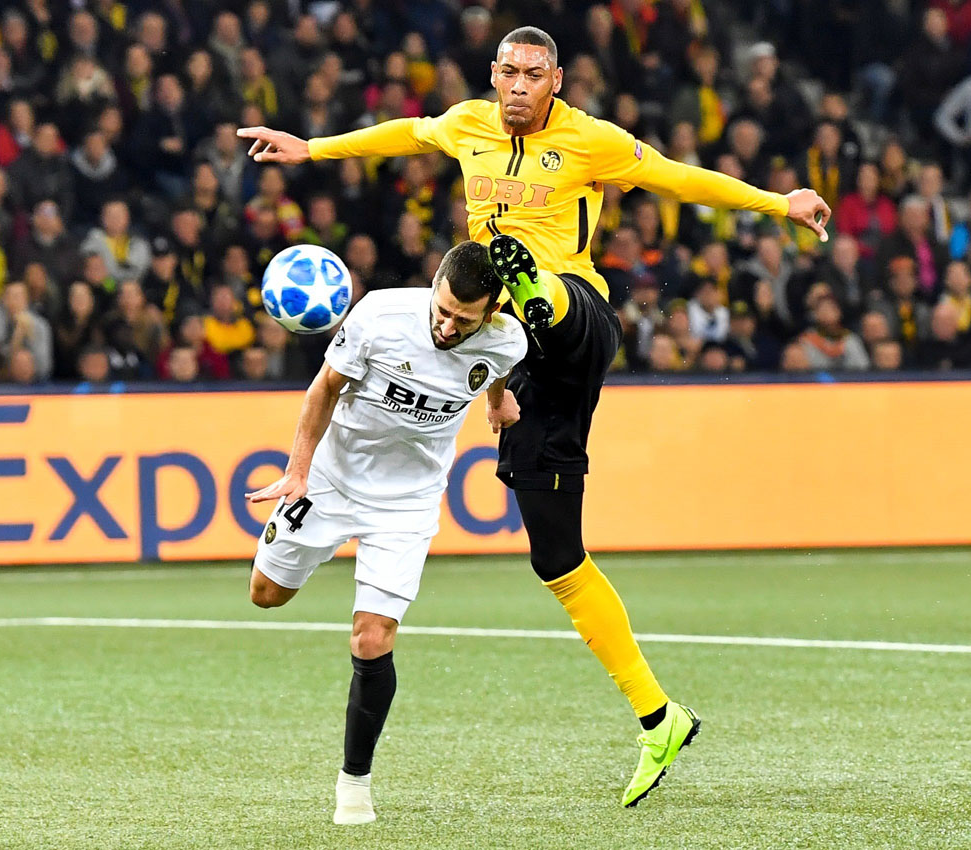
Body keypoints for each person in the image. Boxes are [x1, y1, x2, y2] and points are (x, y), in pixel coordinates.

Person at [238, 24, 831, 807]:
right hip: (516, 362)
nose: (518, 85)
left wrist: (775, 202)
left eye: (533, 74)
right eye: (508, 72)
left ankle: (529, 282)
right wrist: (311, 149)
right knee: (556, 557)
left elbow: (680, 180)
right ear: (494, 75)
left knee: (530, 286)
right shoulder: (468, 124)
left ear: (557, 80)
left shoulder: (592, 141)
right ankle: (660, 717)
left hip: (577, 319)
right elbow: (404, 136)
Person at [244, 242, 527, 825]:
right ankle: (320, 547)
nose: (447, 325)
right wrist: (298, 471)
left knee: (372, 639)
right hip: (331, 478)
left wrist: (497, 405)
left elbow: (492, 373)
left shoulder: (508, 340)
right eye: (442, 309)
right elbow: (323, 388)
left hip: (407, 503)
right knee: (266, 595)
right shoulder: (379, 315)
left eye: (463, 319)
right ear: (434, 286)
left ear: (492, 310)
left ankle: (354, 784)